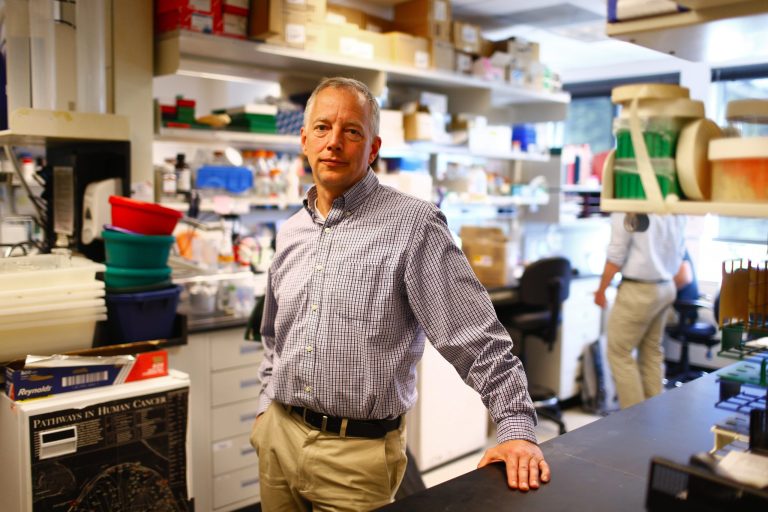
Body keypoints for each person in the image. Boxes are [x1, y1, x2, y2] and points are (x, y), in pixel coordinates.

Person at [249, 77, 549, 511]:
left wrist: (516, 427)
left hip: (355, 459)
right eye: (322, 128)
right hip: (279, 440)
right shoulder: (292, 230)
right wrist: (264, 411)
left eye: (351, 131)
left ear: (372, 148)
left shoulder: (414, 225)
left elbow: (476, 337)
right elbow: (275, 335)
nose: (333, 142)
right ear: (304, 140)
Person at [593, 213, 686, 409]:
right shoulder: (671, 205)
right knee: (651, 351)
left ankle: (633, 422)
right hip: (665, 285)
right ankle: (652, 416)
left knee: (619, 353)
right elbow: (679, 250)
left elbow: (616, 255)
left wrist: (601, 290)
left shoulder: (626, 204)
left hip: (639, 289)